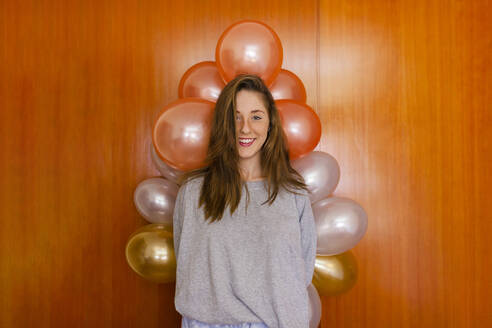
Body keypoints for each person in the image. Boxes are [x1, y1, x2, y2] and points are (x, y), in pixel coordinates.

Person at [173, 74, 317, 328]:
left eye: (256, 116)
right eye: (235, 116)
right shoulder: (193, 192)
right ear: (222, 123)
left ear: (271, 123)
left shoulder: (293, 194)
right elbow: (185, 261)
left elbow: (301, 272)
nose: (245, 128)